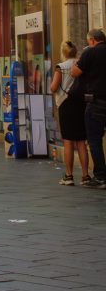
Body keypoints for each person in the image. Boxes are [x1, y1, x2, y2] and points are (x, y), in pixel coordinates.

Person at [49, 41, 90, 187]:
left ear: (64, 52)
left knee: (68, 140)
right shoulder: (81, 63)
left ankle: (69, 175)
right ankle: (85, 176)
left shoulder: (61, 67)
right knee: (81, 141)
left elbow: (54, 87)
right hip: (81, 103)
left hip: (66, 104)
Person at [69, 28, 106, 187]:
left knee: (94, 140)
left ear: (92, 40)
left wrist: (80, 59)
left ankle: (101, 176)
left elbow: (74, 72)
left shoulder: (90, 53)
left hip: (96, 102)